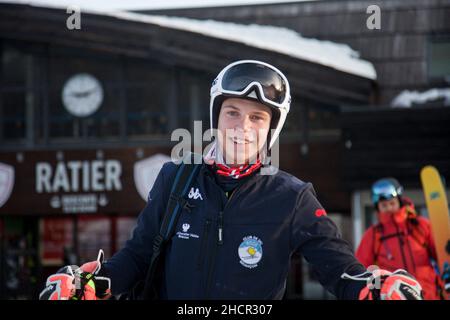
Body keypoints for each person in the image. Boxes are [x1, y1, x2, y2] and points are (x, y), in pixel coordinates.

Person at [40, 60, 423, 300]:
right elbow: (137, 257)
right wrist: (93, 284)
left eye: (257, 117)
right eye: (233, 113)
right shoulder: (175, 178)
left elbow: (338, 269)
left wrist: (371, 288)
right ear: (215, 119)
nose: (243, 127)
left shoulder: (292, 197)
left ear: (272, 130)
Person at [356, 178, 448, 300]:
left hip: (429, 294)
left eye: (392, 203)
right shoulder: (373, 235)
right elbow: (361, 269)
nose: (389, 208)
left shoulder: (419, 226)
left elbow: (442, 255)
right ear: (377, 207)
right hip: (394, 296)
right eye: (384, 205)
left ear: (399, 201)